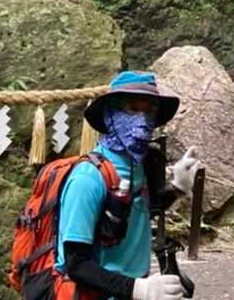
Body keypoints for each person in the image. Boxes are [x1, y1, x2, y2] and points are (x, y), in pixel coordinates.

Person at [50, 70, 202, 300]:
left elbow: (140, 211)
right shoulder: (87, 178)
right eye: (132, 108)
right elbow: (76, 264)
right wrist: (138, 289)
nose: (142, 121)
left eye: (150, 110)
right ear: (109, 115)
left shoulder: (140, 166)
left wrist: (178, 188)